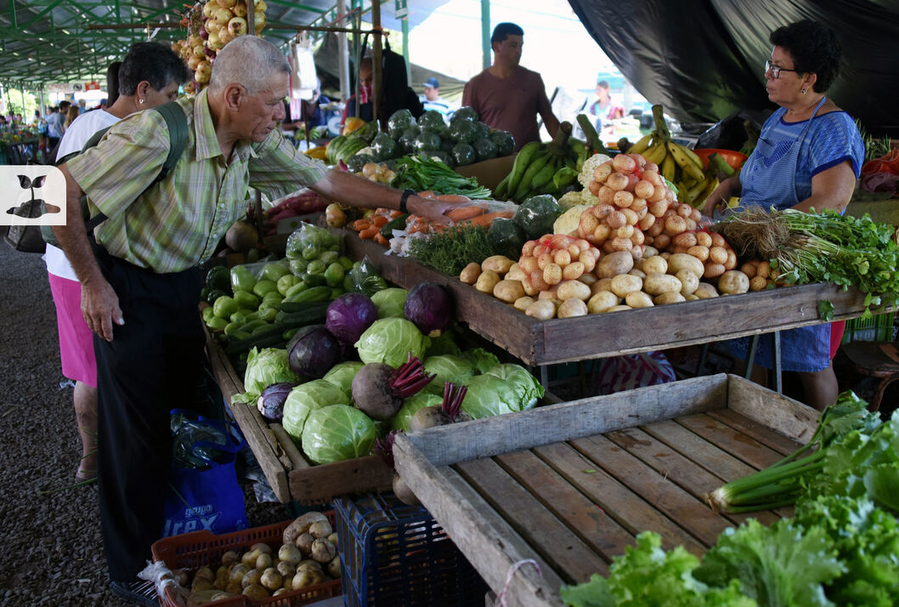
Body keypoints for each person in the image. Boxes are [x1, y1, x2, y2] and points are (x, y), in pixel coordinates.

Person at [52, 35, 458, 607]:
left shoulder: (248, 141)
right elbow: (46, 192)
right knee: (133, 434)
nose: (281, 115)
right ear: (235, 95)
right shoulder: (155, 132)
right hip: (129, 290)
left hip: (182, 288)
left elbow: (324, 181)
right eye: (273, 104)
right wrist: (91, 283)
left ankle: (178, 531)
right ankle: (130, 570)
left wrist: (411, 202)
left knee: (180, 413)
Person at [44, 42, 190, 498]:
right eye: (170, 96)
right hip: (77, 268)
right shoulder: (112, 128)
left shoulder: (92, 121)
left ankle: (107, 456)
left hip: (76, 262)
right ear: (144, 91)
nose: (174, 108)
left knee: (99, 365)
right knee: (89, 370)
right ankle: (91, 458)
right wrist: (91, 278)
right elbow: (58, 203)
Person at [702, 20, 864, 411]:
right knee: (751, 350)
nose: (769, 76)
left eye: (778, 68)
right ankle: (751, 427)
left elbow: (830, 201)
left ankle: (826, 440)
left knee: (811, 363)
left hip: (796, 261)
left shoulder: (832, 129)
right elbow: (760, 166)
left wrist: (762, 229)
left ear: (808, 78)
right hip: (755, 250)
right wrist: (730, 186)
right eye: (768, 65)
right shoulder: (780, 116)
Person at [462, 22, 560, 152]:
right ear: (497, 47)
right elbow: (467, 128)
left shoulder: (533, 80)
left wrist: (566, 144)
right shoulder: (475, 85)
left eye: (521, 46)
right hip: (495, 162)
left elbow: (548, 117)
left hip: (532, 159)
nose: (519, 51)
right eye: (513, 45)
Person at [342, 56, 374, 123]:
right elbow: (342, 127)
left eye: (370, 79)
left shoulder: (385, 99)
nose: (365, 84)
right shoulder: (352, 100)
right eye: (362, 80)